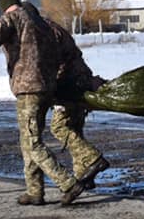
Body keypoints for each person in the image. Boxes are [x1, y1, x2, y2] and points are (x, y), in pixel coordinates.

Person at [0, 0, 86, 206]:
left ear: (6, 8)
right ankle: (34, 191)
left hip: (28, 88)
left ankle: (68, 183)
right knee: (28, 140)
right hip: (46, 88)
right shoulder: (43, 25)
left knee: (33, 143)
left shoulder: (14, 19)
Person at [42, 13, 110, 189]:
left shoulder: (46, 32)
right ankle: (83, 176)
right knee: (75, 129)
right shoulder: (54, 28)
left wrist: (53, 86)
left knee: (60, 127)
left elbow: (56, 63)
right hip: (81, 79)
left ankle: (93, 159)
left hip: (70, 84)